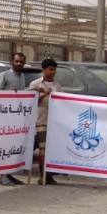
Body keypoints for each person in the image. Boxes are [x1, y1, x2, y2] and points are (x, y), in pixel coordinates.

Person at [0, 52, 28, 186]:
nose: (19, 64)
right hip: (4, 118)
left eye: (21, 62)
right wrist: (8, 94)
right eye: (17, 61)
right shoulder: (4, 75)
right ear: (11, 62)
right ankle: (2, 176)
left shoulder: (22, 77)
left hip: (17, 118)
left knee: (14, 148)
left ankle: (9, 174)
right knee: (5, 147)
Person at [28, 57, 61, 186]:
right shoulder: (36, 84)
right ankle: (42, 176)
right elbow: (31, 102)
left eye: (54, 70)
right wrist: (44, 95)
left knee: (50, 152)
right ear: (44, 70)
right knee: (42, 151)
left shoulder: (57, 86)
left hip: (53, 122)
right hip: (40, 121)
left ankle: (49, 176)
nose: (52, 72)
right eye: (50, 69)